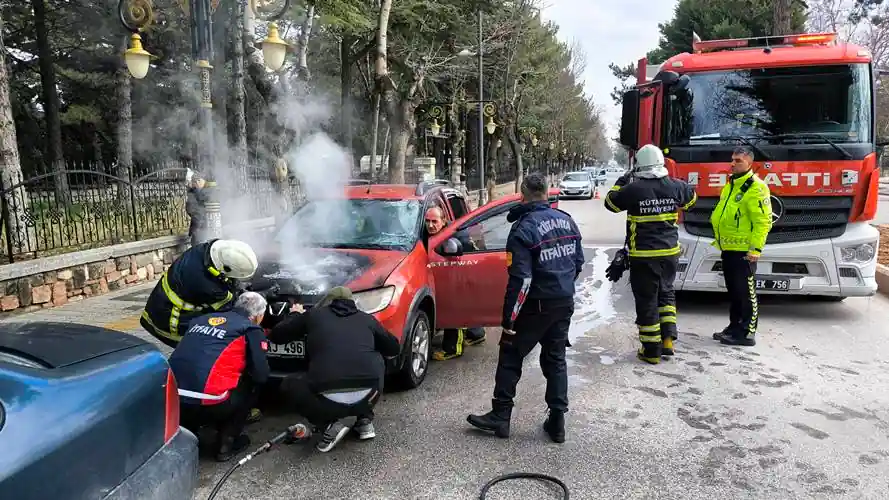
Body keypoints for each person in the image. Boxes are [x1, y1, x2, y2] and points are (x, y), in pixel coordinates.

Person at [466, 173, 584, 444]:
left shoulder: (524, 228)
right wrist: (561, 288)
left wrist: (509, 319)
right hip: (563, 303)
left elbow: (522, 280)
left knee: (510, 355)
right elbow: (577, 263)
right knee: (555, 360)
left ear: (523, 194)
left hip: (535, 305)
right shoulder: (566, 220)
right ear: (545, 193)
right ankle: (557, 422)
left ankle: (500, 416)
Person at [268, 286, 400, 453]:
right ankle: (364, 420)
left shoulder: (314, 315)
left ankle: (329, 424)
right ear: (353, 303)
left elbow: (277, 335)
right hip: (369, 396)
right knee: (375, 359)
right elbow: (393, 348)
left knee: (289, 384)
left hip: (328, 401)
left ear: (328, 303)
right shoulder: (367, 319)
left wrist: (295, 314)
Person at [604, 144, 697, 364]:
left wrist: (621, 182)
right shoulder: (676, 186)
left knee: (646, 300)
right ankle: (667, 341)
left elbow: (610, 203)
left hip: (644, 256)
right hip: (670, 254)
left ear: (639, 166)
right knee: (666, 294)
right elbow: (691, 200)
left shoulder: (634, 189)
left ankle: (651, 350)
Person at [169, 292, 270, 462]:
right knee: (251, 384)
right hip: (211, 404)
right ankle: (227, 444)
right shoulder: (250, 329)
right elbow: (261, 374)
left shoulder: (201, 320)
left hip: (174, 398)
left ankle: (188, 433)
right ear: (259, 316)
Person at [141, 238, 258, 348]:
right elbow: (230, 308)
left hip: (159, 302)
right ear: (225, 268)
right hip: (172, 319)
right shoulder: (208, 286)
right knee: (198, 350)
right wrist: (258, 297)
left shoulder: (204, 250)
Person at [710, 146, 773, 347]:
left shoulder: (756, 187)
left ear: (749, 163)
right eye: (732, 160)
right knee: (734, 291)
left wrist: (755, 249)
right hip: (728, 248)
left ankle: (746, 333)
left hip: (744, 251)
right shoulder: (731, 185)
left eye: (738, 160)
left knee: (746, 292)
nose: (733, 163)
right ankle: (734, 327)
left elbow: (763, 221)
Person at [423, 206, 487, 360]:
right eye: (427, 221)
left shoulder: (453, 236)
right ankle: (476, 334)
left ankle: (453, 349)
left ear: (444, 221)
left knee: (455, 311)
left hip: (462, 277)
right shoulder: (428, 232)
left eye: (434, 221)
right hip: (454, 276)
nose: (430, 225)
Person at [185, 171, 209, 246]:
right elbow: (191, 209)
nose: (195, 185)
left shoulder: (205, 191)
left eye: (195, 183)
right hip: (200, 229)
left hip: (203, 229)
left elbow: (196, 211)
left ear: (199, 180)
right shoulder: (196, 192)